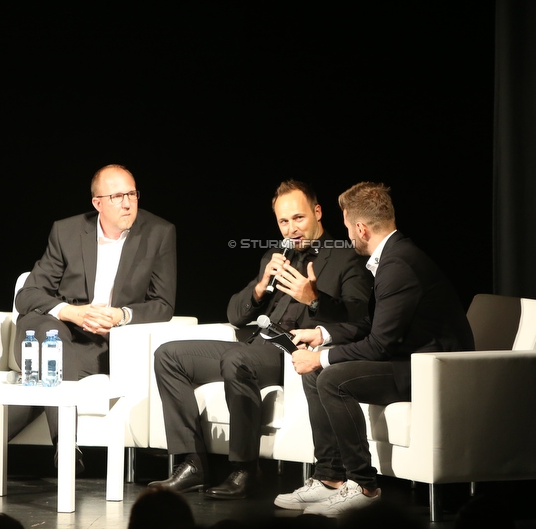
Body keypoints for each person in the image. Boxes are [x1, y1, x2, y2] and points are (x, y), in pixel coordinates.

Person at [0, 164, 176, 483]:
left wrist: (122, 315)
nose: (127, 203)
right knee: (43, 333)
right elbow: (28, 295)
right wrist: (71, 312)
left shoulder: (159, 233)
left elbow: (163, 304)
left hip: (106, 345)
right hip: (57, 337)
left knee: (38, 375)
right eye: (118, 196)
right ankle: (66, 444)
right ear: (97, 203)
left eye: (132, 194)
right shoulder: (66, 232)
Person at [149, 180, 372, 499]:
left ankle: (245, 468)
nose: (292, 228)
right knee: (168, 354)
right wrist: (261, 284)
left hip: (293, 349)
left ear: (318, 212)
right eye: (284, 221)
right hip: (256, 346)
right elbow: (235, 314)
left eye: (299, 218)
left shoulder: (345, 258)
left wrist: (313, 299)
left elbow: (359, 318)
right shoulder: (276, 255)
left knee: (236, 359)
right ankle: (192, 463)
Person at [275, 181, 475, 516]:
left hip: (433, 371)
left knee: (329, 378)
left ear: (361, 228)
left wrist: (321, 358)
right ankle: (329, 478)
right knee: (318, 374)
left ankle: (364, 487)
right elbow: (375, 325)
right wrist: (323, 335)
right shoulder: (394, 256)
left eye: (348, 228)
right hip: (412, 359)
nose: (349, 236)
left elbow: (380, 344)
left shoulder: (397, 265)